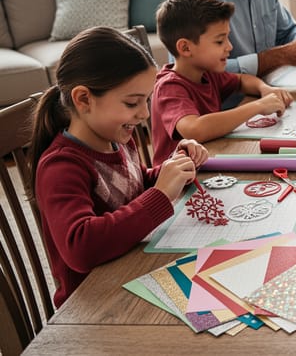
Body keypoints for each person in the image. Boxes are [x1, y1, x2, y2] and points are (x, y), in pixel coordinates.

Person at [27, 27, 208, 307]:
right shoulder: (61, 166)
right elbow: (81, 247)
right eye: (132, 102)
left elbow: (130, 187)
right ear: (84, 99)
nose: (145, 113)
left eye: (146, 100)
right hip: (96, 305)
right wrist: (160, 195)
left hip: (134, 273)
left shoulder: (117, 137)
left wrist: (172, 170)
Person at [151, 0, 294, 166]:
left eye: (227, 38)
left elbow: (242, 80)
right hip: (178, 184)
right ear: (185, 47)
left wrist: (265, 89)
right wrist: (258, 106)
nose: (229, 47)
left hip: (211, 160)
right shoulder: (169, 87)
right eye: (220, 41)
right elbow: (195, 129)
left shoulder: (206, 73)